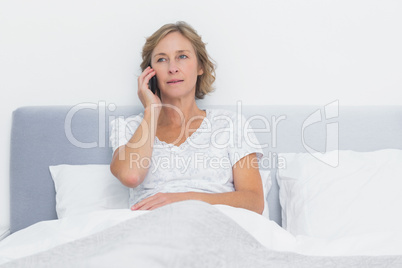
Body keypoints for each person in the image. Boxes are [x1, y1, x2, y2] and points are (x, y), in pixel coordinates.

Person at [110, 21, 264, 214]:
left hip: (215, 228)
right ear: (150, 73)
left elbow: (254, 202)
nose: (173, 68)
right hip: (151, 232)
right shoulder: (128, 127)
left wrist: (186, 199)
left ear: (200, 66)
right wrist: (151, 110)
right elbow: (131, 176)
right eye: (161, 59)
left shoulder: (230, 124)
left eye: (182, 56)